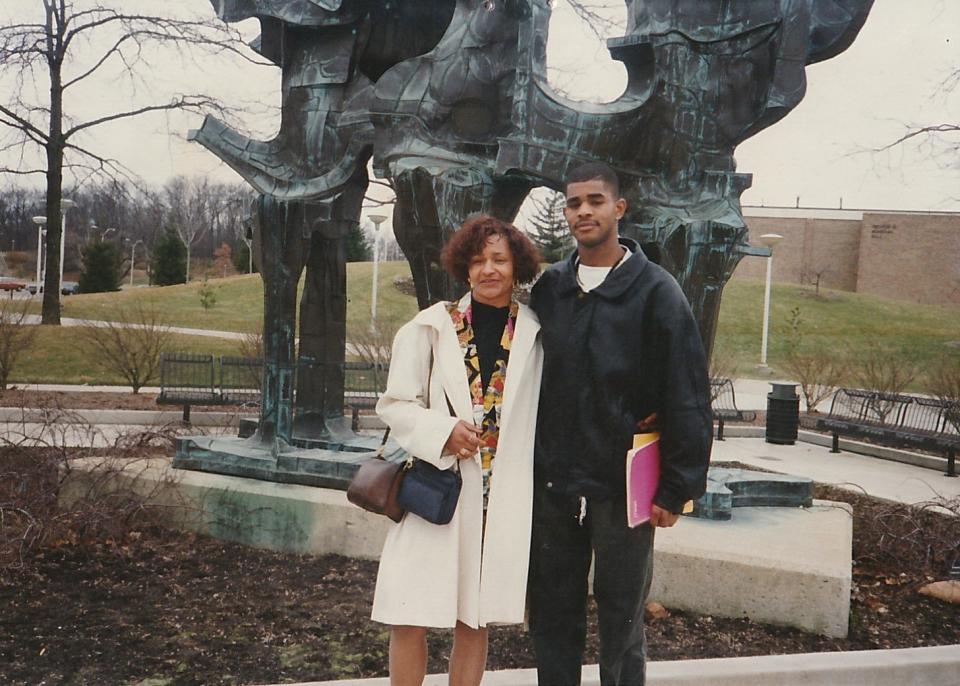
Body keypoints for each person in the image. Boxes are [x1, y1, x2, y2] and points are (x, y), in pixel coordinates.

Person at [527, 162, 713, 686]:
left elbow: (688, 395)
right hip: (555, 484)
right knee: (552, 611)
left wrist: (677, 487)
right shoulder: (551, 289)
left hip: (622, 486)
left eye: (594, 201)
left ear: (618, 209)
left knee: (623, 616)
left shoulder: (656, 292)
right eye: (573, 203)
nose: (583, 211)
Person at [372, 215, 544, 686]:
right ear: (464, 270)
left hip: (498, 496)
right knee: (410, 610)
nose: (488, 269)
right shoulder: (429, 327)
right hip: (437, 490)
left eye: (499, 260)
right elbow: (395, 404)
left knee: (476, 615)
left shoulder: (536, 333)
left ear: (517, 267)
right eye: (478, 261)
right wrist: (443, 431)